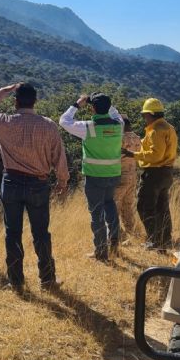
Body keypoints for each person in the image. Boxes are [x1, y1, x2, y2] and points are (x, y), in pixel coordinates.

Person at [0, 83, 69, 293]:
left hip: (11, 182)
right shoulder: (48, 125)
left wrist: (5, 90)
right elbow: (59, 156)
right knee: (41, 234)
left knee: (12, 233)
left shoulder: (3, 122)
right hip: (38, 184)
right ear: (35, 101)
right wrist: (62, 181)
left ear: (15, 101)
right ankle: (47, 280)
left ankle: (16, 281)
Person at [59, 93, 124, 261]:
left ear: (93, 108)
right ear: (108, 106)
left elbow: (64, 121)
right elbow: (115, 113)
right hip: (113, 173)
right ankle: (114, 242)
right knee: (110, 205)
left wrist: (78, 103)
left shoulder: (88, 127)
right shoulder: (119, 125)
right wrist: (101, 102)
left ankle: (101, 252)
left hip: (95, 176)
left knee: (96, 213)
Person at [123, 98, 177, 252]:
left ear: (151, 114)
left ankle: (154, 241)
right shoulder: (168, 127)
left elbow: (155, 156)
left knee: (145, 207)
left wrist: (132, 153)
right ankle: (165, 240)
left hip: (155, 173)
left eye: (145, 115)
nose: (144, 118)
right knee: (162, 208)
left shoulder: (155, 130)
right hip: (166, 173)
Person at [115, 115, 141, 239]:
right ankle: (131, 232)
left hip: (120, 175)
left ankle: (118, 234)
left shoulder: (120, 138)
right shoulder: (137, 138)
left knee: (115, 205)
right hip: (133, 175)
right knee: (128, 205)